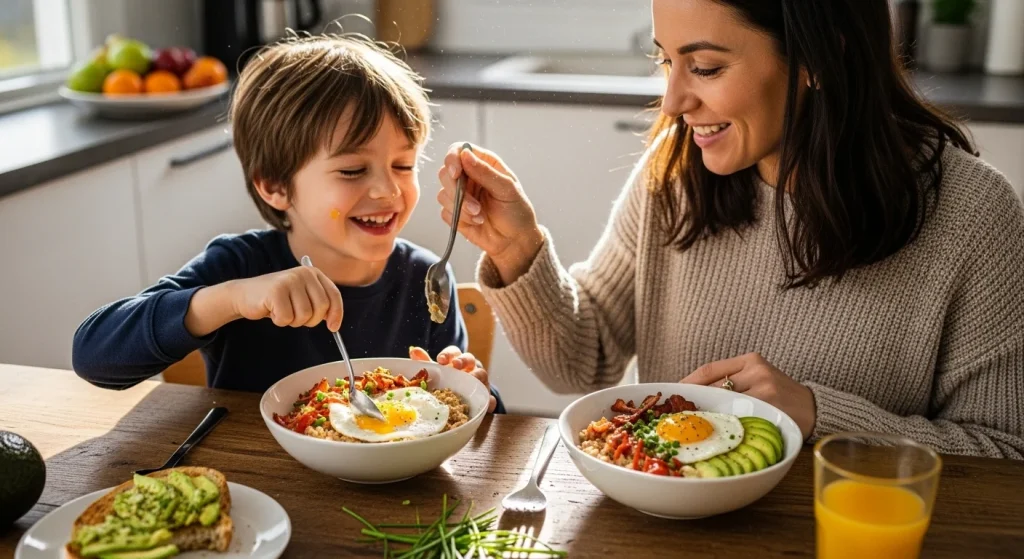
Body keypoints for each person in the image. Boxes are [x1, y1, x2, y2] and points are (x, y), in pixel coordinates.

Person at [436, 0, 1023, 456]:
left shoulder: (973, 215)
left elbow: (1005, 454)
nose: (672, 101)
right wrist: (517, 249)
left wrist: (817, 416)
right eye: (667, 61)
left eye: (706, 67)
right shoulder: (675, 172)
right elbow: (580, 361)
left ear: (821, 58)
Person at [72, 34, 503, 413]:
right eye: (353, 171)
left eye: (403, 165)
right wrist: (233, 299)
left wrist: (474, 391)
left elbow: (463, 422)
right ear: (276, 186)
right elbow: (93, 356)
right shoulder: (240, 267)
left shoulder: (424, 279)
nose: (388, 191)